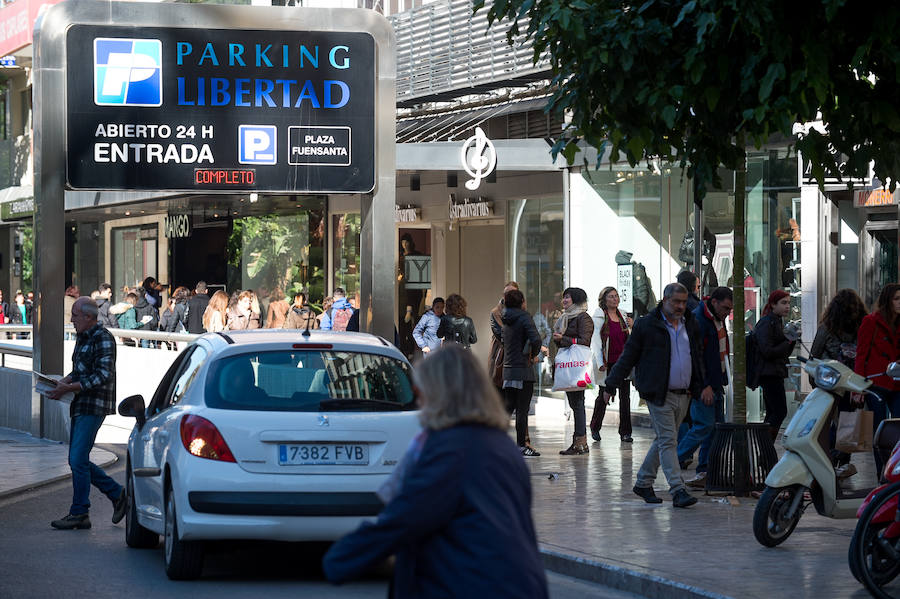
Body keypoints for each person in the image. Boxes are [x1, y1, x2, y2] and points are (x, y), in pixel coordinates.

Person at [321, 345, 549, 598]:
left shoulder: (452, 450)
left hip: (473, 584)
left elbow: (408, 515)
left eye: (420, 390)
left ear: (440, 393)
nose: (419, 400)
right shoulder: (500, 445)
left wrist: (340, 559)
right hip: (515, 582)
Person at [604, 282, 704, 508]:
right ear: (665, 300)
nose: (680, 306)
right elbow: (628, 356)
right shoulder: (647, 325)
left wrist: (701, 384)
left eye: (683, 302)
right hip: (658, 392)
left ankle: (643, 482)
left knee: (664, 439)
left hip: (684, 393)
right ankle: (677, 489)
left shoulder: (690, 323)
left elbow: (696, 357)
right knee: (669, 439)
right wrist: (611, 384)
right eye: (675, 302)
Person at [46, 297, 126, 530]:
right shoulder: (83, 337)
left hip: (94, 405)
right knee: (78, 459)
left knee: (77, 459)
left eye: (75, 315)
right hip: (80, 403)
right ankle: (117, 494)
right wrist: (63, 382)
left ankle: (81, 512)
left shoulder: (103, 338)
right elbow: (79, 370)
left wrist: (68, 388)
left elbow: (103, 375)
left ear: (89, 317)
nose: (71, 320)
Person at [677, 286, 734, 488]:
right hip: (706, 384)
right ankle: (672, 460)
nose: (727, 313)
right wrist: (704, 386)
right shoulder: (699, 320)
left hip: (716, 382)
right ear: (715, 302)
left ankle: (706, 470)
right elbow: (696, 357)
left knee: (714, 429)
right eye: (725, 308)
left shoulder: (716, 318)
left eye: (729, 310)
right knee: (704, 426)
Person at [813, 289, 867, 475]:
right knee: (848, 422)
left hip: (829, 382)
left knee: (825, 423)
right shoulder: (863, 326)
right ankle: (842, 460)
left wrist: (815, 381)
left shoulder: (827, 327)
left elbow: (815, 354)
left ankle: (827, 459)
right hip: (852, 383)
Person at [855, 283, 900, 477]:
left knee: (898, 429)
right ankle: (881, 473)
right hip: (876, 383)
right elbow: (861, 355)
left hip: (897, 382)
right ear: (888, 300)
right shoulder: (871, 321)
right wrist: (858, 387)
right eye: (897, 299)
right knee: (879, 431)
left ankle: (894, 472)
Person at [589, 286, 635, 443]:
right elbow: (595, 340)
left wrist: (632, 325)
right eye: (611, 296)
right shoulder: (599, 315)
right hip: (608, 362)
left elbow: (631, 338)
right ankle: (595, 427)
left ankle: (625, 432)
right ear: (604, 299)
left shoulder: (623, 315)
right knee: (604, 395)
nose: (615, 299)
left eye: (616, 296)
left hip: (623, 362)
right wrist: (600, 362)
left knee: (625, 397)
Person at [501, 288, 543, 456]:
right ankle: (521, 445)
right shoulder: (524, 317)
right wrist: (533, 354)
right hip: (523, 369)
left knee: (508, 407)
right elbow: (536, 339)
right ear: (522, 302)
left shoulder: (505, 317)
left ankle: (496, 440)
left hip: (508, 369)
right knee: (522, 409)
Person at [552, 287, 594, 455]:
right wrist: (559, 340)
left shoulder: (583, 317)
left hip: (577, 366)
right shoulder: (565, 317)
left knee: (577, 404)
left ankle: (580, 442)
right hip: (569, 366)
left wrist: (564, 338)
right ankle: (579, 443)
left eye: (567, 297)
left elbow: (584, 340)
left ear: (576, 299)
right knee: (575, 404)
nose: (564, 300)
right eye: (563, 297)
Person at [755, 289, 797, 442]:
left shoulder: (777, 322)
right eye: (783, 303)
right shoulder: (767, 323)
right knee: (779, 411)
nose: (787, 307)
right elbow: (767, 351)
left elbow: (782, 352)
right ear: (773, 304)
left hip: (774, 372)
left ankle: (765, 447)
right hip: (769, 374)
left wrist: (791, 340)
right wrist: (788, 341)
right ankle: (765, 445)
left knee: (774, 412)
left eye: (788, 303)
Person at [489, 282, 519, 390]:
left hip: (518, 357)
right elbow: (500, 334)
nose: (510, 296)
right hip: (501, 353)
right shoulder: (496, 312)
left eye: (513, 293)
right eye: (507, 293)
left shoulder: (521, 311)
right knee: (500, 387)